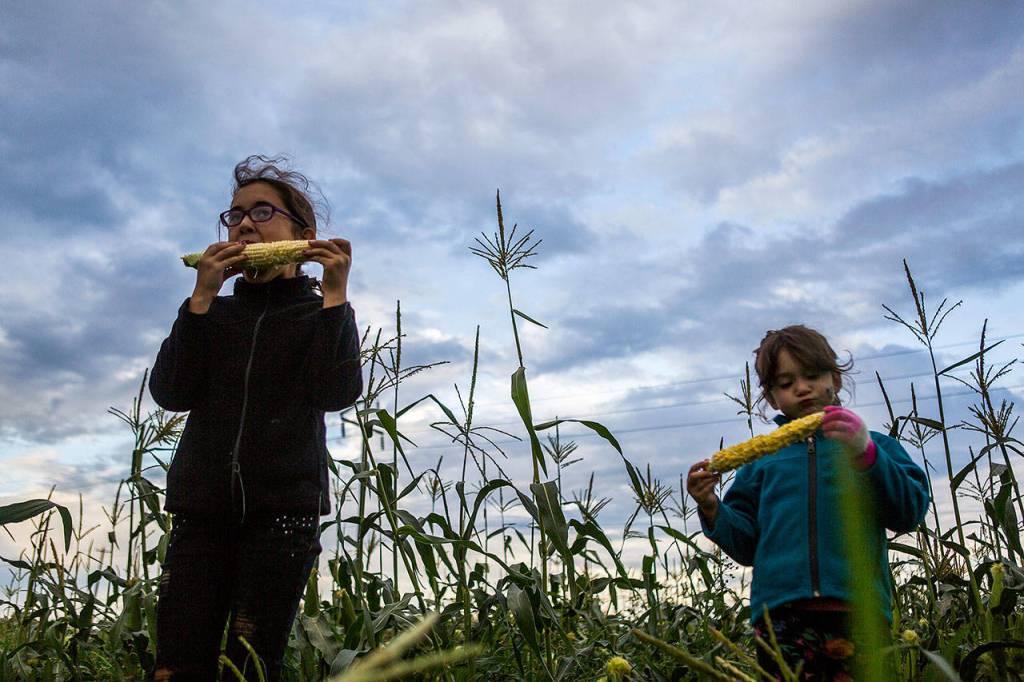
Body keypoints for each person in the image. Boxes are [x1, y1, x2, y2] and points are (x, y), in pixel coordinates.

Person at [149, 156, 362, 681]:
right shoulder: (211, 315)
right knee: (176, 665)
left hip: (282, 514)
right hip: (202, 511)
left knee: (249, 666)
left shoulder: (319, 315)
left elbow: (336, 392)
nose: (243, 224)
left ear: (303, 234)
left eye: (262, 212)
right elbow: (170, 393)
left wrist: (335, 296)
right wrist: (201, 298)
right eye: (235, 215)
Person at [687, 325, 929, 680]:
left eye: (813, 376)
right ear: (771, 398)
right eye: (786, 384)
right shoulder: (760, 464)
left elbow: (908, 512)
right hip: (781, 615)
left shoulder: (874, 447)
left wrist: (868, 454)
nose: (802, 388)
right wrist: (712, 507)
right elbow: (747, 546)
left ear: (836, 379)